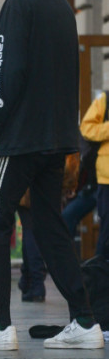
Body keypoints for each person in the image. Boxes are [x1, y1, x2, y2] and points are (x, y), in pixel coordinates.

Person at [0, 0, 102, 350]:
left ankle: (0, 326)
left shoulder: (17, 5)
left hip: (21, 138)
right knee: (49, 226)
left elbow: (7, 70)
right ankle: (84, 321)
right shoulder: (61, 4)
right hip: (58, 138)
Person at [80, 91, 109, 261]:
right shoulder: (105, 99)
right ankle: (99, 279)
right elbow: (86, 128)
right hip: (106, 179)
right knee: (106, 231)